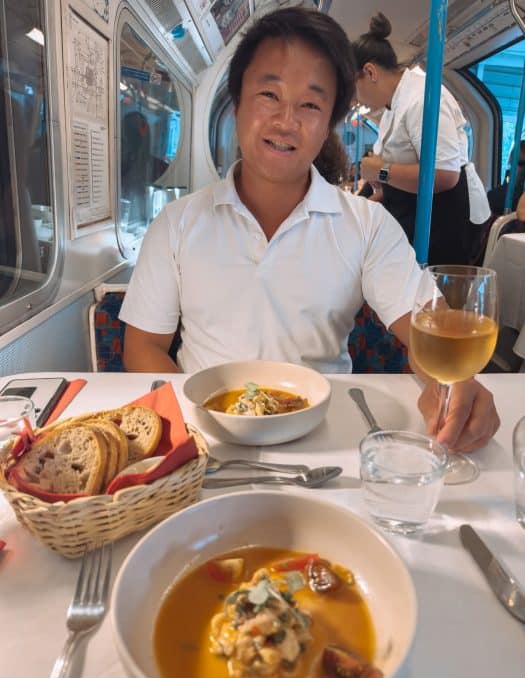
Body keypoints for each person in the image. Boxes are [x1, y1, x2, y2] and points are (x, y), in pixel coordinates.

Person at [120, 7, 499, 453]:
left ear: (327, 128)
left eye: (310, 104)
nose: (286, 121)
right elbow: (142, 345)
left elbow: (423, 331)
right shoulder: (176, 223)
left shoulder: (366, 225)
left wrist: (451, 386)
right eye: (268, 95)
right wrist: (197, 427)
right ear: (237, 102)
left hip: (328, 443)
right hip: (207, 442)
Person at [352, 13, 491, 265]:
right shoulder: (393, 106)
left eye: (353, 89)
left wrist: (381, 171)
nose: (356, 100)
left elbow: (446, 174)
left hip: (447, 218)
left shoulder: (420, 99)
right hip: (417, 212)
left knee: (435, 297)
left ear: (370, 72)